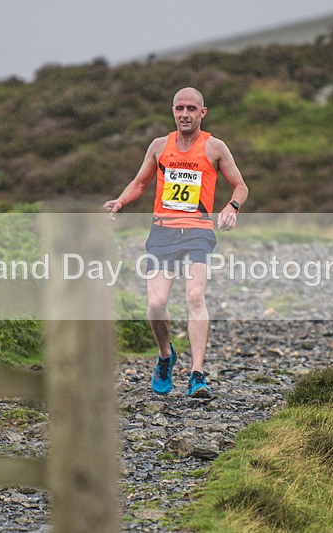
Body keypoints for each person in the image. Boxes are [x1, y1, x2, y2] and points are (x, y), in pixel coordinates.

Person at [103, 87, 248, 399]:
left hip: (198, 232)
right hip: (162, 232)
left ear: (202, 112)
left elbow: (240, 185)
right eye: (180, 108)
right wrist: (120, 201)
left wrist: (231, 207)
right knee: (156, 304)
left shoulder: (215, 147)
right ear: (173, 111)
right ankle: (166, 355)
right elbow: (140, 182)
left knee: (195, 296)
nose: (185, 114)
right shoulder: (159, 146)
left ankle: (197, 375)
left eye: (191, 109)